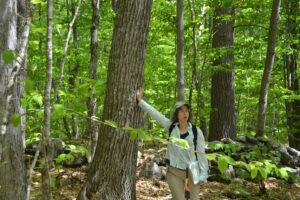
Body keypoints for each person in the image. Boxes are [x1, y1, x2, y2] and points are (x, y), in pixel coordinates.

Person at [136, 88, 209, 200]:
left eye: (187, 111)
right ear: (176, 114)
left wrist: (203, 175)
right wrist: (140, 101)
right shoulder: (171, 127)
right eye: (182, 111)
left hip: (192, 172)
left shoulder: (196, 131)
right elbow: (155, 114)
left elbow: (201, 153)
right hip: (174, 172)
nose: (185, 113)